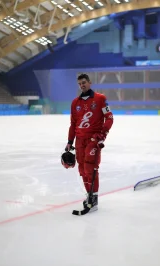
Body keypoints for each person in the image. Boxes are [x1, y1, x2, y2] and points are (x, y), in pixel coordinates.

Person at [64, 73, 114, 212]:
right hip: (80, 140)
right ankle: (89, 196)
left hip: (93, 139)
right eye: (80, 84)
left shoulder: (100, 99)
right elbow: (73, 124)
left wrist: (102, 135)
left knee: (90, 168)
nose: (82, 85)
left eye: (84, 82)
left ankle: (94, 200)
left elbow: (109, 118)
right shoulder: (75, 103)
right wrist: (69, 141)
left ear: (90, 82)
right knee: (82, 170)